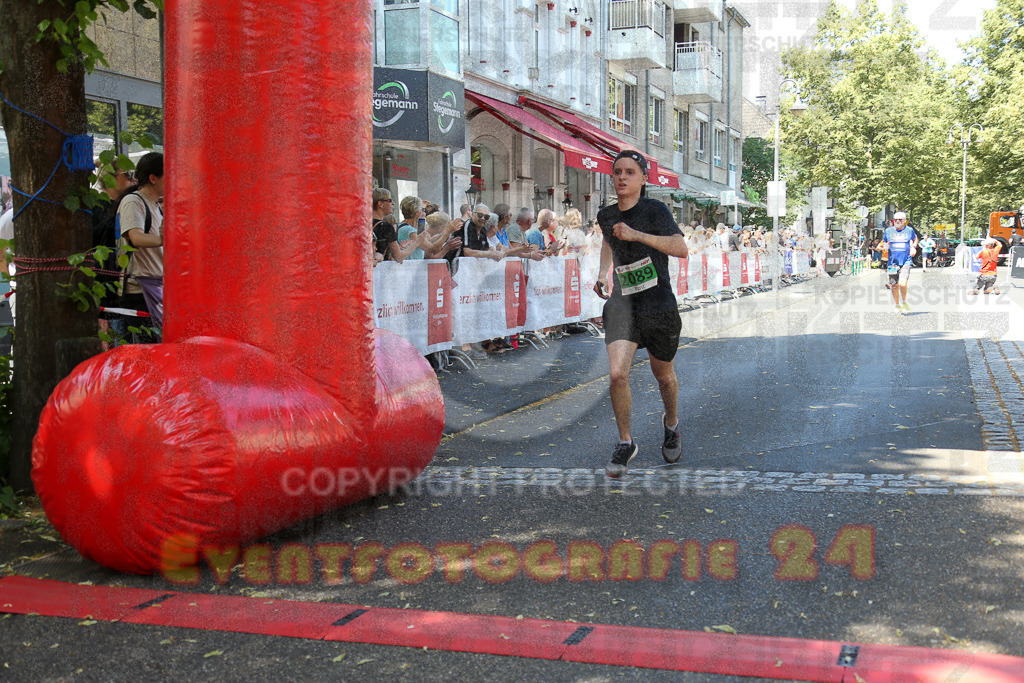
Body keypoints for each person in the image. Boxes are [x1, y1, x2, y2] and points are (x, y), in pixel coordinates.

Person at [594, 150, 688, 478]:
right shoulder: (606, 215)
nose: (621, 177)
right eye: (617, 171)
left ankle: (671, 424)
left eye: (629, 172)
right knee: (618, 374)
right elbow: (608, 240)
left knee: (664, 376)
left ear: (643, 179)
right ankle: (625, 442)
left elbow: (681, 248)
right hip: (623, 305)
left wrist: (637, 235)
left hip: (658, 304)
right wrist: (603, 272)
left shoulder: (655, 211)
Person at [117, 151, 165, 333]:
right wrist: (163, 240)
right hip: (138, 290)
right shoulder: (133, 201)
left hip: (155, 285)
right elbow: (135, 238)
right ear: (153, 178)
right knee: (144, 350)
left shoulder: (156, 206)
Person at [371, 188, 427, 263]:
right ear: (380, 204)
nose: (393, 203)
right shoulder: (386, 227)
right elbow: (399, 257)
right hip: (380, 271)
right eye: (389, 200)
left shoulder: (365, 224)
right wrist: (417, 242)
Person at [879, 211, 918, 313]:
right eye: (895, 219)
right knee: (894, 286)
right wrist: (884, 247)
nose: (897, 221)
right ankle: (897, 304)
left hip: (906, 261)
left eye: (900, 219)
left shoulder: (909, 230)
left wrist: (913, 247)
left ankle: (904, 301)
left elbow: (915, 239)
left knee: (902, 283)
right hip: (892, 263)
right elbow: (884, 242)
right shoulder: (888, 231)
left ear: (904, 221)